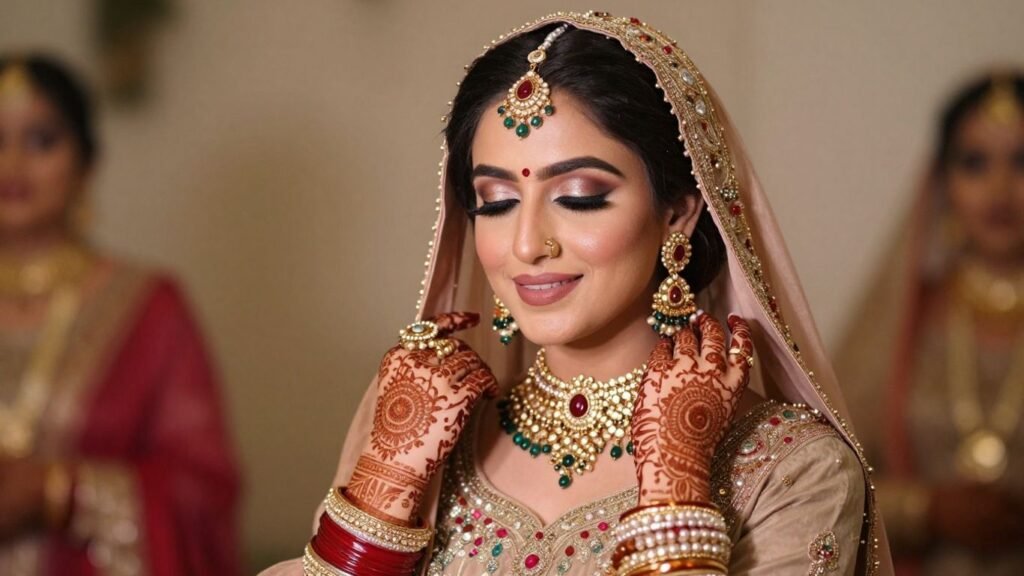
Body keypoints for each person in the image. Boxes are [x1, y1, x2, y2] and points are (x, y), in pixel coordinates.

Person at [265, 11, 892, 575]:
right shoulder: (422, 440)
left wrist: (675, 493)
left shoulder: (788, 468)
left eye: (580, 198)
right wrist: (382, 495)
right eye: (497, 202)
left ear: (677, 211)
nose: (527, 244)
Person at [0, 54, 241, 575]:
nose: (12, 163)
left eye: (41, 140)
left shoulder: (151, 311)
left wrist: (59, 492)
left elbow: (202, 491)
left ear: (86, 161)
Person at [836, 72, 1024, 574]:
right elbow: (827, 476)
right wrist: (928, 511)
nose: (1000, 188)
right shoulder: (902, 321)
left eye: (1022, 161)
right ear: (942, 182)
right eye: (975, 163)